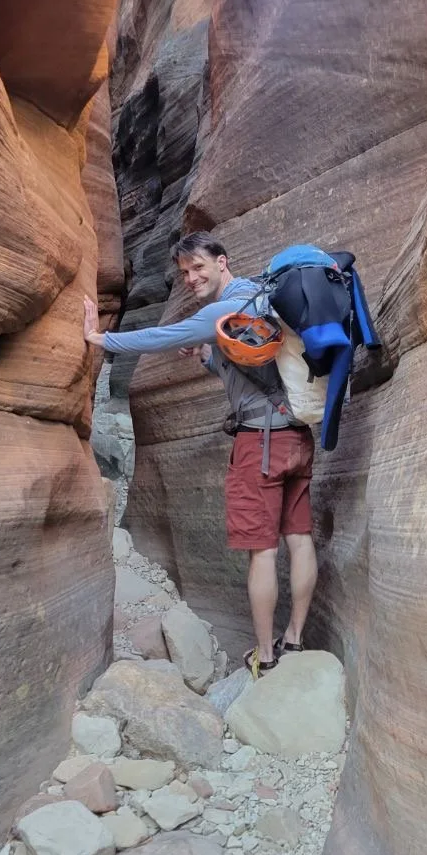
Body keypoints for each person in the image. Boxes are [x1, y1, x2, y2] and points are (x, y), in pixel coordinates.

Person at [83, 231, 317, 676]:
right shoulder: (267, 300)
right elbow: (258, 369)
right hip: (299, 438)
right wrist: (210, 358)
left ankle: (265, 657)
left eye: (199, 267)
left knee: (261, 550)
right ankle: (294, 642)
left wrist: (102, 340)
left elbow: (160, 336)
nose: (191, 278)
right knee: (299, 537)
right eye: (184, 272)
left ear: (223, 262)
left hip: (260, 444)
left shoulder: (221, 310)